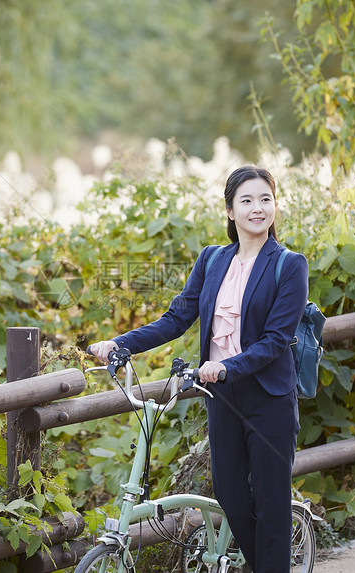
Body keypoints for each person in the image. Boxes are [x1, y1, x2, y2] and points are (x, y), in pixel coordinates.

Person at [89, 165, 308, 573]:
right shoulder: (211, 260)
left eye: (265, 199)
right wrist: (121, 343)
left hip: (269, 398)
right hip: (221, 395)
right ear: (229, 211)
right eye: (246, 200)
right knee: (232, 498)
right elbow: (176, 319)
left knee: (271, 504)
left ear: (275, 206)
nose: (257, 208)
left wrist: (225, 367)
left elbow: (276, 340)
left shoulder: (289, 265)